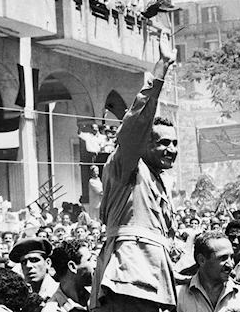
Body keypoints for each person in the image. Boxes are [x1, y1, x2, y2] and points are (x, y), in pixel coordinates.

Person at [90, 32, 177, 312]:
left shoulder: (158, 181)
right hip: (127, 280)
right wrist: (161, 69)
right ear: (143, 144)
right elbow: (137, 123)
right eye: (163, 142)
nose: (171, 149)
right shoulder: (129, 165)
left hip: (150, 283)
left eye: (175, 143)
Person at [176, 231, 240, 312]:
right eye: (223, 258)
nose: (231, 265)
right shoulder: (178, 296)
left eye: (231, 257)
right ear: (202, 260)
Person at [44, 239, 97, 312]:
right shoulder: (53, 309)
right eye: (89, 260)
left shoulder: (96, 296)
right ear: (72, 267)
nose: (95, 265)